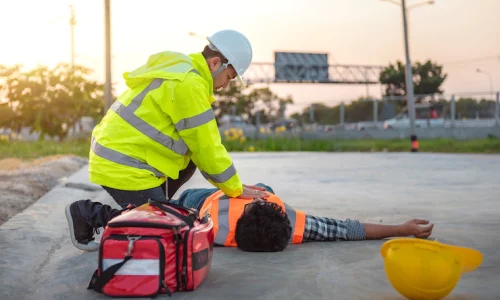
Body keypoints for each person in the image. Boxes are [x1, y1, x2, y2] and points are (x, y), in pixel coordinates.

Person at [88, 29, 267, 210]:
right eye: (229, 77)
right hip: (122, 165)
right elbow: (206, 146)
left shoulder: (182, 70)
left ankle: (157, 206)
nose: (225, 85)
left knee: (188, 162)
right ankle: (89, 214)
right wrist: (236, 189)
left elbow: (199, 149)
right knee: (164, 224)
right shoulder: (189, 84)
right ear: (215, 63)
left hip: (118, 157)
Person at [65, 184, 434, 252]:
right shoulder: (297, 226)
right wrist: (399, 229)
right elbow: (348, 230)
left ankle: (90, 212)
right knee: (160, 217)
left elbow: (349, 229)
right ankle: (96, 212)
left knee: (160, 215)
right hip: (206, 195)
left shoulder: (206, 227)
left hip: (201, 200)